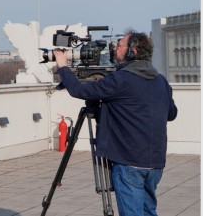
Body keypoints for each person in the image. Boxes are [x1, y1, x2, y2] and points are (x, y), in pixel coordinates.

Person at [54, 30, 177, 216]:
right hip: (155, 163)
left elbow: (78, 90)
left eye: (119, 45)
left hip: (129, 163)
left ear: (132, 51)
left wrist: (63, 66)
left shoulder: (121, 80)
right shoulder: (161, 81)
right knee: (148, 211)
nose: (114, 49)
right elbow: (171, 114)